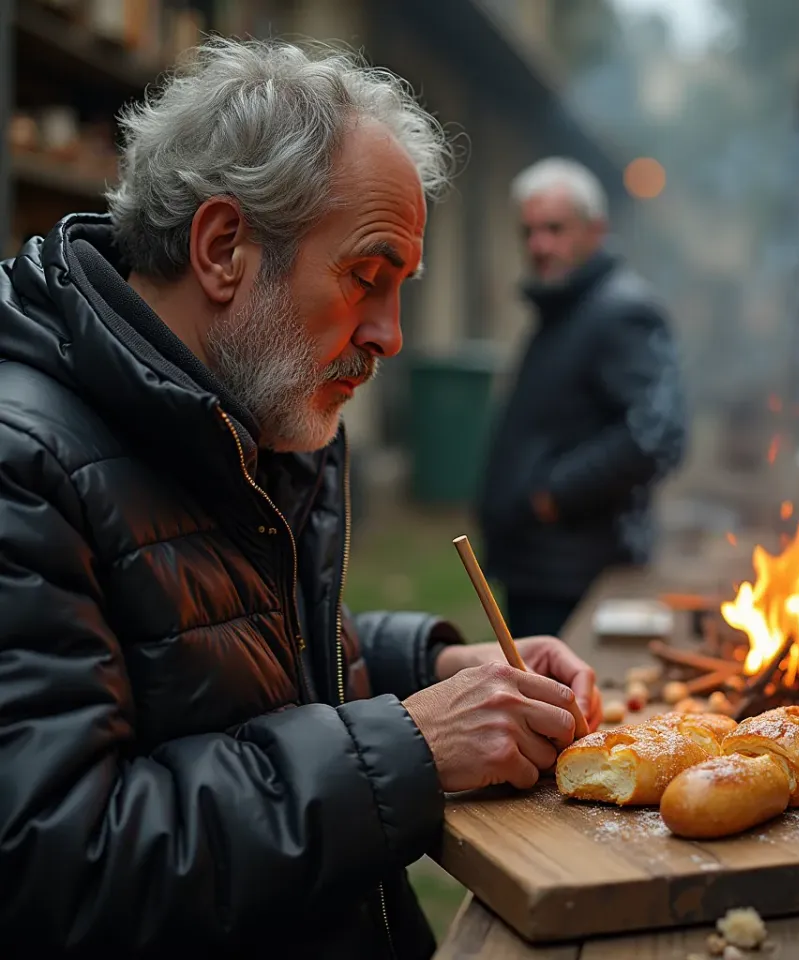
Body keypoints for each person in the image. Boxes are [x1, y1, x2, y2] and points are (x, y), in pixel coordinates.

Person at [0, 41, 603, 959]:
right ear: (222, 250)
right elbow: (57, 864)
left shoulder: (250, 409)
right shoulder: (22, 463)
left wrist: (433, 668)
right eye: (368, 277)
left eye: (403, 290)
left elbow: (238, 650)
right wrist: (408, 747)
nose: (391, 336)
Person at [479, 158, 687, 639]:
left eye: (554, 228)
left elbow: (656, 434)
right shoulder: (564, 307)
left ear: (596, 230)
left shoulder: (621, 310)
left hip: (578, 573)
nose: (538, 245)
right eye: (528, 231)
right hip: (539, 568)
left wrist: (555, 495)